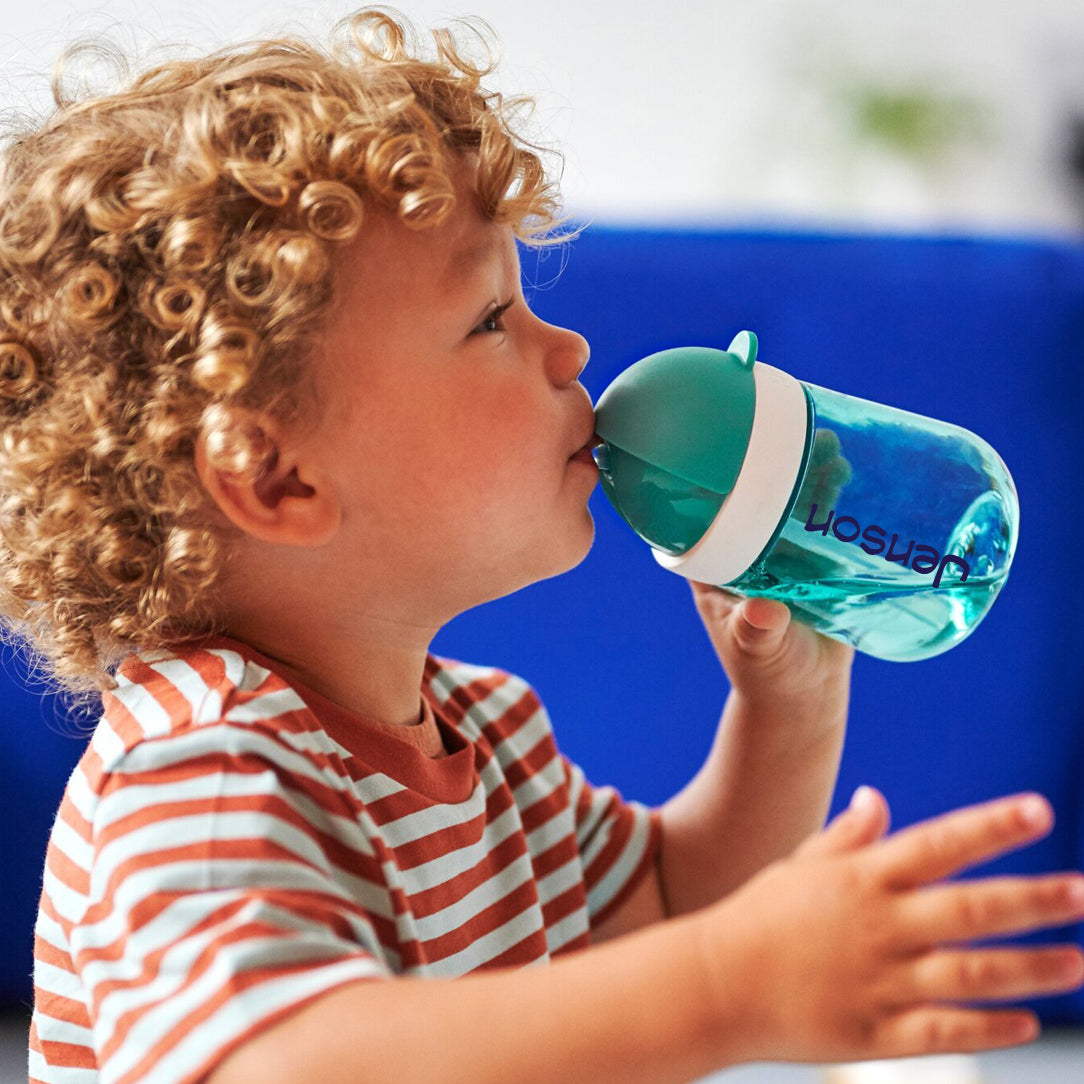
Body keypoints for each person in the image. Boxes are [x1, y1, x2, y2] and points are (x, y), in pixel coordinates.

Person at [4, 7, 1081, 1083]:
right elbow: (282, 1062)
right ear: (279, 477)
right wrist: (722, 988)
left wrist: (787, 704)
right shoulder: (208, 773)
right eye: (489, 320)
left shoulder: (487, 736)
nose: (567, 348)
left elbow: (671, 906)